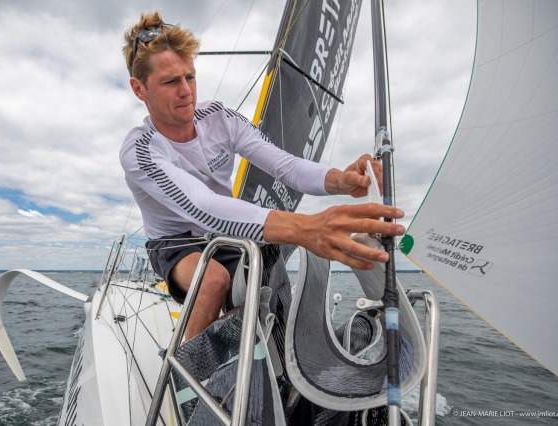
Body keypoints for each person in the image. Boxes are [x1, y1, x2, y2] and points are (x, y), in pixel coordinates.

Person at [120, 12, 405, 340]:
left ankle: (246, 365)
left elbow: (287, 167)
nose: (186, 91)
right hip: (176, 241)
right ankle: (187, 373)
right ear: (139, 89)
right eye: (171, 82)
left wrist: (342, 179)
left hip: (222, 231)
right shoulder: (140, 150)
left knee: (259, 289)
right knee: (214, 281)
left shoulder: (220, 119)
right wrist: (305, 227)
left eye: (190, 77)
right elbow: (202, 205)